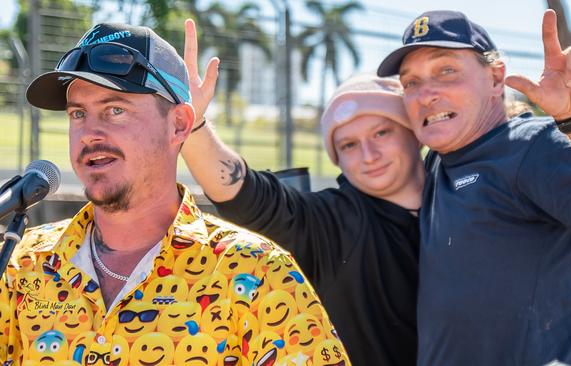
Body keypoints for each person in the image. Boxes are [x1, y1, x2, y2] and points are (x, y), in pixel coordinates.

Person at [0, 22, 349, 366]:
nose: (90, 132)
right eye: (78, 113)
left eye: (115, 110)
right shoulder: (20, 264)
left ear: (179, 124)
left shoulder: (255, 273)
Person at [377, 9, 571, 365]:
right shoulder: (438, 161)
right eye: (410, 82)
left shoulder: (532, 146)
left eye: (446, 71)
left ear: (496, 78)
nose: (425, 94)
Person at [181, 19, 423, 366]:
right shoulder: (336, 222)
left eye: (382, 133)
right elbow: (250, 198)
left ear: (413, 131)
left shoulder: (460, 197)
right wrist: (196, 126)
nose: (369, 155)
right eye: (349, 145)